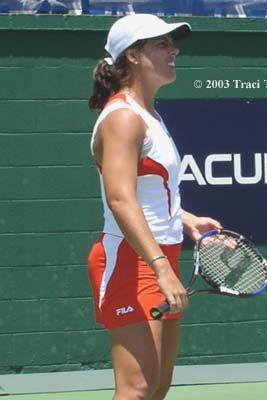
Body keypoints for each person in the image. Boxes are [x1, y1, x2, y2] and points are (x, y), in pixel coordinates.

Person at [87, 13, 222, 400]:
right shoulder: (124, 118)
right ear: (132, 56)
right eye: (161, 44)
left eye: (171, 42)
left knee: (157, 388)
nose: (173, 50)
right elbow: (119, 198)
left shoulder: (150, 117)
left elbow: (146, 193)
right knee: (136, 389)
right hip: (133, 262)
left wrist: (189, 221)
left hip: (160, 257)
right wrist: (160, 268)